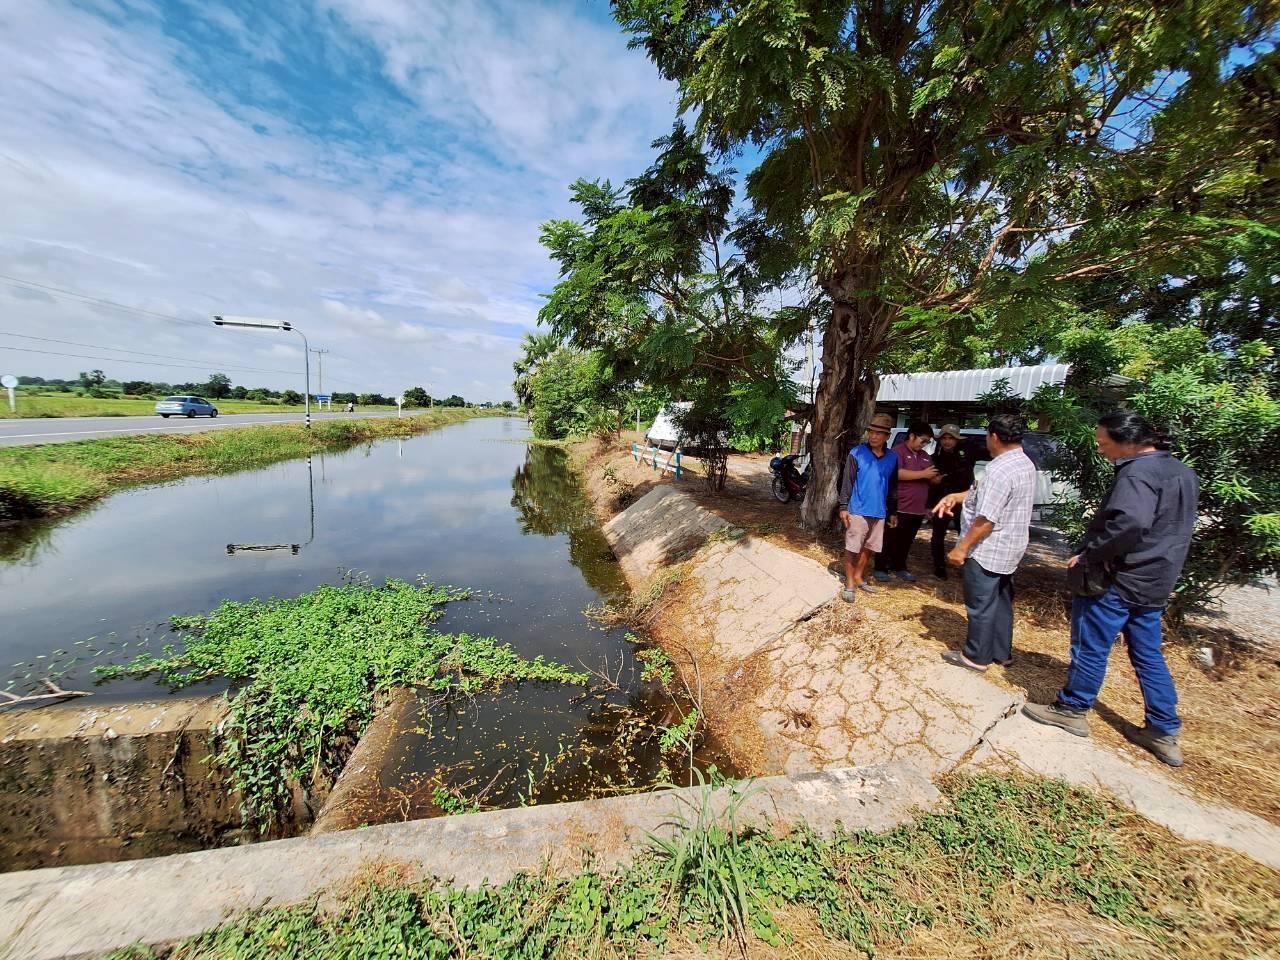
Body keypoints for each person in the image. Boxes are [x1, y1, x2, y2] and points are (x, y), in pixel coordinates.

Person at [1022, 411, 1199, 767]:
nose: (1100, 450)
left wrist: (1090, 554)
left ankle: (1072, 708)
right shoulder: (1182, 471)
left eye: (1104, 443)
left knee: (1090, 645)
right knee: (1148, 654)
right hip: (1156, 581)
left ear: (1128, 441)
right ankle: (1164, 729)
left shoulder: (1137, 473)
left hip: (1119, 579)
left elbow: (1130, 523)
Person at [930, 414, 1037, 672]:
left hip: (989, 548)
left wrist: (961, 548)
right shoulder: (1023, 463)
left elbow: (987, 519)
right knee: (1001, 600)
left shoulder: (999, 470)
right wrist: (956, 496)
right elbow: (984, 494)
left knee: (980, 604)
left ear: (995, 437)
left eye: (988, 436)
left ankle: (976, 657)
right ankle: (1001, 652)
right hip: (1010, 547)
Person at [837, 413, 898, 602]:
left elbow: (894, 486)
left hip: (879, 511)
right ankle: (849, 583)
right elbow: (847, 481)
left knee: (869, 548)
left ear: (887, 436)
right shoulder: (857, 453)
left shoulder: (893, 458)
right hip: (858, 509)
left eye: (879, 433)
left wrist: (893, 511)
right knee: (853, 547)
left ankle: (858, 576)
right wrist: (843, 506)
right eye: (871, 432)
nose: (874, 436)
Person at [874, 421, 939, 582]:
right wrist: (923, 474)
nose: (924, 445)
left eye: (927, 442)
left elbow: (931, 475)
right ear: (912, 436)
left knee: (906, 541)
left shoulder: (925, 456)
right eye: (922, 440)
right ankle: (881, 567)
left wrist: (935, 478)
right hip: (899, 507)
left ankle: (899, 566)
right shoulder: (897, 452)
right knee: (889, 539)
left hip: (917, 509)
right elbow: (897, 473)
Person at [927, 424, 974, 579]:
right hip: (942, 502)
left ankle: (965, 565)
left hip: (963, 502)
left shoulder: (967, 455)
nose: (947, 442)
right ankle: (939, 566)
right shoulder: (935, 459)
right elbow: (931, 484)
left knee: (965, 533)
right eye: (944, 438)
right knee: (938, 535)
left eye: (951, 438)